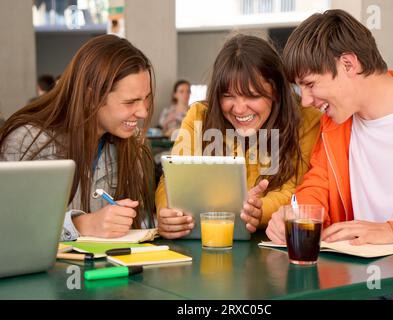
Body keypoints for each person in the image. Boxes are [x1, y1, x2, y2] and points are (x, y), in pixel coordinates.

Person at [265, 9, 393, 299]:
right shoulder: (335, 126)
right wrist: (296, 214)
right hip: (356, 277)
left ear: (349, 64)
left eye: (310, 84)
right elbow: (317, 185)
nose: (306, 100)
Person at [156, 34, 322, 239]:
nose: (240, 109)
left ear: (277, 91)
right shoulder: (200, 116)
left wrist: (260, 210)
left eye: (252, 95)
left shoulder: (306, 120)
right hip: (208, 242)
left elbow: (299, 190)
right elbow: (173, 178)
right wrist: (168, 212)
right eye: (228, 96)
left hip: (274, 243)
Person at [0, 34, 156, 241]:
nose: (143, 112)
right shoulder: (28, 142)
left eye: (146, 99)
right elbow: (9, 228)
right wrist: (79, 225)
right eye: (130, 102)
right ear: (91, 97)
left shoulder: (130, 146)